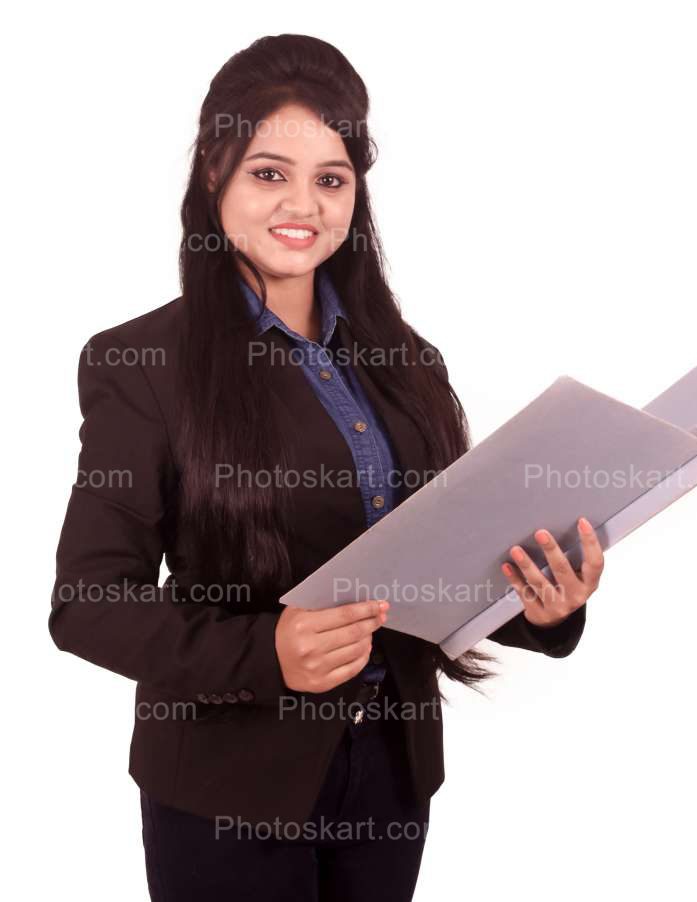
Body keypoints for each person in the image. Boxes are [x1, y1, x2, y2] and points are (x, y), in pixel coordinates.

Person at [49, 33, 604, 902]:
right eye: (270, 172)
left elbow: (440, 565)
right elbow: (87, 604)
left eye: (331, 178)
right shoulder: (141, 364)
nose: (301, 203)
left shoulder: (407, 362)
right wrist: (267, 651)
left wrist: (542, 606)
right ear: (212, 174)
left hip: (389, 773)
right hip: (228, 791)